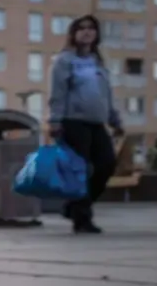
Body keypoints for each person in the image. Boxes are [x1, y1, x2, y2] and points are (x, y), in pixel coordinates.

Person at [48, 14, 123, 234]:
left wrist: (115, 120)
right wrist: (54, 120)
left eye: (91, 28)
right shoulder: (64, 60)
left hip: (97, 123)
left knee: (107, 164)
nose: (87, 32)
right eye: (81, 28)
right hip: (73, 122)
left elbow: (106, 94)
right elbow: (57, 93)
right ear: (73, 34)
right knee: (80, 171)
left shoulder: (98, 62)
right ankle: (82, 219)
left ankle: (75, 207)